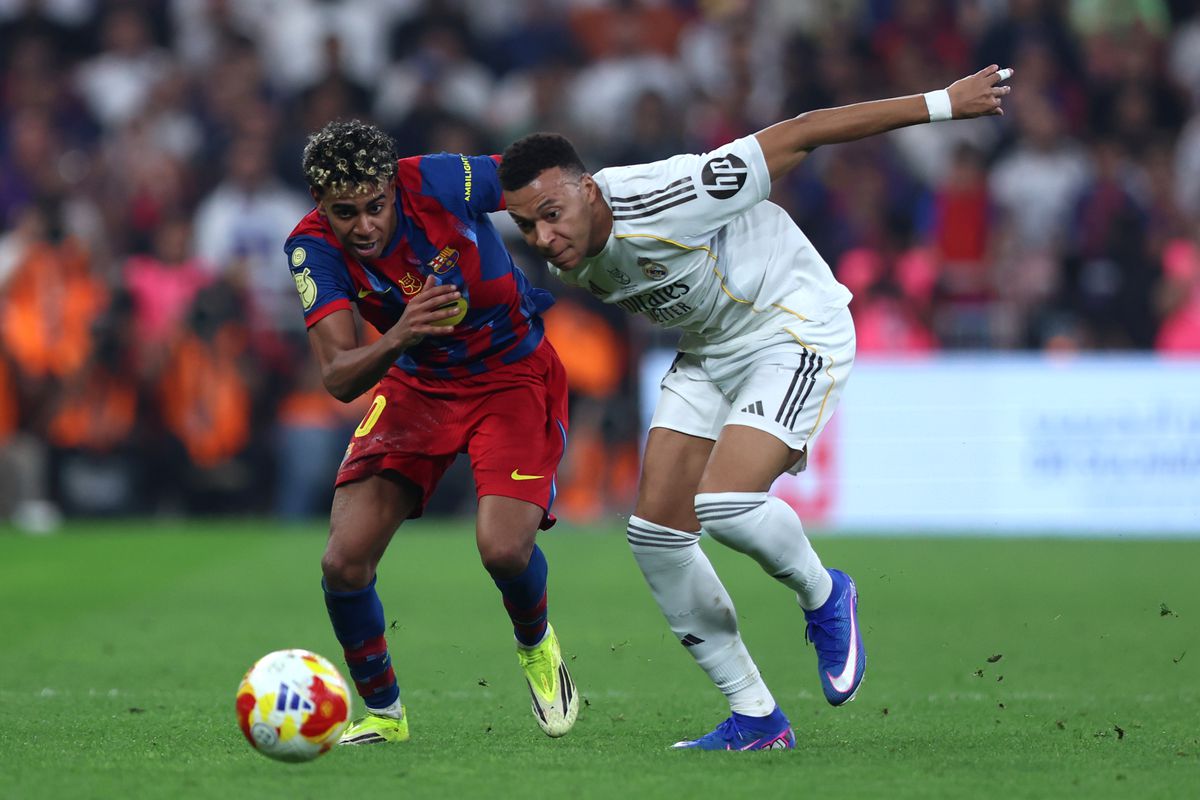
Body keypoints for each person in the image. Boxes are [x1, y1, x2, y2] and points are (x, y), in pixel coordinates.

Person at [499, 65, 1013, 750]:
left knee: (725, 504)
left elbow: (805, 131)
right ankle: (756, 718)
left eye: (551, 215)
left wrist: (943, 103)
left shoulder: (678, 193)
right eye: (527, 226)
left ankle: (826, 594)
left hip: (791, 325)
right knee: (655, 537)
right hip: (711, 348)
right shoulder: (565, 252)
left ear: (588, 189)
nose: (542, 237)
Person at [284, 119, 578, 745]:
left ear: (393, 187)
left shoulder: (438, 180)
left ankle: (536, 644)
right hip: (418, 382)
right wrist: (400, 334)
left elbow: (532, 179)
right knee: (343, 561)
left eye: (375, 206)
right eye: (345, 213)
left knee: (503, 550)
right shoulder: (311, 248)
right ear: (320, 205)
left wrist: (573, 227)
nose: (364, 226)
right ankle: (384, 715)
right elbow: (337, 376)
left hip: (512, 372)